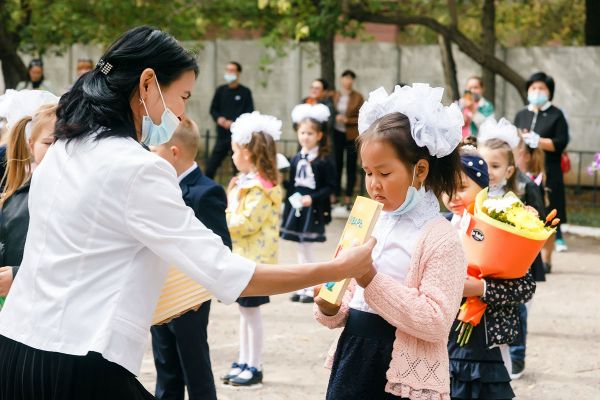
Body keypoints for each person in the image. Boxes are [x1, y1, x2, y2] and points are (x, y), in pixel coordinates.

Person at [0, 26, 376, 399]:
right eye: (182, 96)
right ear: (148, 84)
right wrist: (338, 269)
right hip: (78, 360)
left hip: (16, 346)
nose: (181, 114)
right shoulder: (137, 169)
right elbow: (230, 274)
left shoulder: (63, 149)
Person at [314, 84, 467, 400]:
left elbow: (436, 320)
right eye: (368, 172)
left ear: (420, 169)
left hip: (402, 371)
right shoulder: (369, 220)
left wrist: (370, 278)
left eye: (384, 173)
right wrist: (331, 307)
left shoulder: (441, 237)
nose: (373, 184)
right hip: (354, 357)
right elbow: (349, 295)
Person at [443, 144, 535, 400]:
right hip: (444, 337)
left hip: (489, 340)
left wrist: (480, 288)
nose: (452, 196)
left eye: (462, 187)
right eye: (446, 187)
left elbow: (524, 288)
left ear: (483, 188)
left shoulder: (501, 227)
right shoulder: (438, 226)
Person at [149, 118, 224, 400]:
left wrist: (199, 292)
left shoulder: (206, 192)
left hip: (190, 300)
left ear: (174, 152)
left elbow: (220, 248)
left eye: (154, 151)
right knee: (165, 369)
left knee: (195, 369)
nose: (149, 157)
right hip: (160, 293)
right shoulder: (156, 188)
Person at [476, 118, 544, 384]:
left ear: (509, 170)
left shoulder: (514, 199)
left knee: (516, 311)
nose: (489, 172)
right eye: (484, 165)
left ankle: (516, 354)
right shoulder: (474, 194)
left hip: (511, 270)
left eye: (495, 166)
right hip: (479, 267)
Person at [221, 111, 283, 387]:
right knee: (245, 313)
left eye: (235, 150)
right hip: (243, 258)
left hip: (254, 262)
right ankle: (244, 360)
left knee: (251, 314)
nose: (233, 156)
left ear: (247, 152)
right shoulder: (246, 183)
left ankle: (254, 365)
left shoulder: (260, 188)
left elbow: (245, 223)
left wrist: (223, 214)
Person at [0, 100, 58, 305]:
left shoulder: (81, 196)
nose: (57, 151)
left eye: (64, 143)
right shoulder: (14, 199)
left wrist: (19, 276)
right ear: (31, 146)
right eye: (49, 143)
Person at [514, 72, 569, 272]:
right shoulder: (522, 114)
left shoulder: (556, 115)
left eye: (541, 88)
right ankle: (524, 260)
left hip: (549, 172)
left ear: (549, 92)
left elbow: (561, 142)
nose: (537, 92)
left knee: (548, 216)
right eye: (533, 88)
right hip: (524, 171)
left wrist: (539, 141)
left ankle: (546, 260)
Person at [281, 103, 336, 303]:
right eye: (302, 132)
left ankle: (312, 288)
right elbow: (292, 184)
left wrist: (312, 198)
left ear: (319, 135)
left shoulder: (323, 159)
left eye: (310, 133)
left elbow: (331, 186)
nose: (305, 137)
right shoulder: (296, 158)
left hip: (312, 207)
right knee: (300, 247)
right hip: (297, 206)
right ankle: (302, 287)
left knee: (308, 247)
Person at [206, 61, 254, 179]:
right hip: (222, 136)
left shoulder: (245, 92)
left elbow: (249, 112)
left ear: (238, 73)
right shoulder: (220, 90)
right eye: (228, 70)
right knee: (211, 167)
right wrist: (219, 119)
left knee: (238, 169)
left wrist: (233, 122)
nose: (229, 73)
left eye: (232, 70)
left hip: (237, 137)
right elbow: (213, 109)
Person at [332, 70, 364, 209]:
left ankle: (348, 196)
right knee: (336, 164)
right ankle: (335, 194)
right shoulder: (335, 95)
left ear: (353, 81)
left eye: (351, 78)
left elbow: (362, 117)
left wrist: (347, 120)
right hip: (336, 133)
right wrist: (335, 117)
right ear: (341, 79)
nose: (348, 81)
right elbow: (330, 111)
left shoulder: (358, 97)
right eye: (346, 78)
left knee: (351, 166)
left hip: (351, 135)